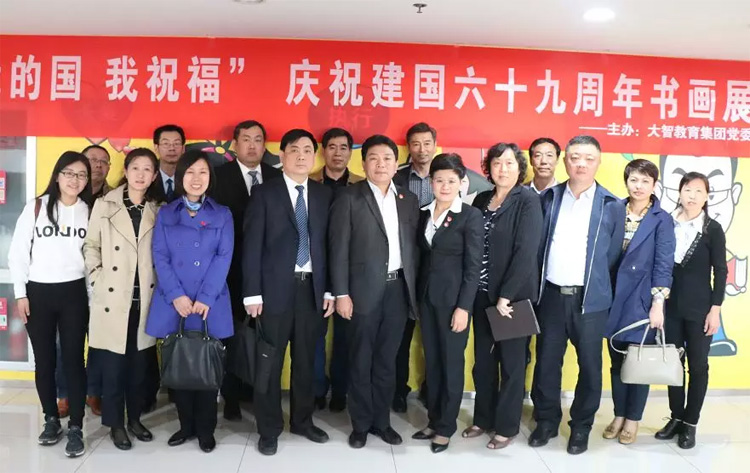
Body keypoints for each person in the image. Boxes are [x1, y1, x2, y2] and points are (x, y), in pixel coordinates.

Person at [529, 135, 624, 455]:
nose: (581, 164)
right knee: (546, 363)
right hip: (551, 296)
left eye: (588, 158)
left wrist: (595, 287)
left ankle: (581, 427)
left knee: (590, 367)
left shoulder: (612, 205)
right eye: (574, 157)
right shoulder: (550, 197)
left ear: (598, 162)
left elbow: (612, 256)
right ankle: (546, 421)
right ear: (565, 160)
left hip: (591, 301)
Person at [243, 129, 335, 455]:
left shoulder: (324, 195)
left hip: (312, 290)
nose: (301, 156)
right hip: (272, 293)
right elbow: (252, 245)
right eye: (294, 150)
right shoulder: (264, 193)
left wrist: (331, 290)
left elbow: (330, 247)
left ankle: (302, 421)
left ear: (315, 156)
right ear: (281, 155)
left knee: (306, 361)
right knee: (269, 362)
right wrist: (252, 293)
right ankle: (269, 428)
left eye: (308, 150)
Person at [329, 134, 420, 449]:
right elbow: (338, 249)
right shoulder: (349, 198)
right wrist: (341, 293)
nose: (381, 164)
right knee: (360, 359)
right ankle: (360, 424)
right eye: (374, 158)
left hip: (398, 291)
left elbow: (414, 250)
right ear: (363, 163)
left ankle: (382, 422)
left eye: (387, 158)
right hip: (360, 293)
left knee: (387, 360)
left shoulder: (408, 200)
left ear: (397, 164)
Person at [146, 150, 234, 453]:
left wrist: (205, 297)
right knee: (180, 365)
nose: (196, 179)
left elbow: (224, 257)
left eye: (203, 172)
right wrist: (177, 296)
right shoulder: (167, 213)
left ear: (210, 177)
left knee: (207, 368)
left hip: (209, 301)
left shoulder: (222, 213)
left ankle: (206, 430)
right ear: (181, 176)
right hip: (176, 301)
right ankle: (185, 427)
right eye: (190, 172)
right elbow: (160, 256)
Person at [8, 151, 93, 457]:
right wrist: (21, 293)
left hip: (74, 294)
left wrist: (92, 298)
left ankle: (77, 427)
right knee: (44, 361)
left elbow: (91, 259)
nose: (74, 180)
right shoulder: (36, 207)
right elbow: (18, 253)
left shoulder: (89, 211)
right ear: (57, 176)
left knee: (74, 361)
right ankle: (51, 419)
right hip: (38, 294)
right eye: (69, 173)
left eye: (81, 175)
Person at [461, 143, 543, 450]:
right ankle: (483, 418)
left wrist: (506, 295)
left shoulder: (528, 201)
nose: (503, 169)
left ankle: (507, 426)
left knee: (511, 364)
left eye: (509, 163)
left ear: (520, 167)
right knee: (483, 361)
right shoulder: (482, 199)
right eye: (497, 163)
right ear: (489, 168)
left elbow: (526, 252)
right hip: (481, 294)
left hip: (512, 299)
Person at [84, 148, 164, 450]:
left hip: (145, 299)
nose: (141, 174)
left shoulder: (158, 209)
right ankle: (116, 424)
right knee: (114, 367)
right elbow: (91, 245)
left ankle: (135, 419)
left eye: (147, 169)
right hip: (112, 298)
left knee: (139, 367)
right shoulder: (105, 204)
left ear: (154, 176)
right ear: (126, 171)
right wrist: (97, 276)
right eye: (135, 168)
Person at [410, 153, 483, 453]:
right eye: (439, 180)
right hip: (427, 301)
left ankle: (446, 427)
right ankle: (434, 420)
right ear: (431, 182)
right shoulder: (424, 213)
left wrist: (464, 307)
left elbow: (473, 267)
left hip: (454, 304)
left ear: (461, 183)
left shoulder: (470, 216)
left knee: (451, 364)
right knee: (434, 363)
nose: (444, 186)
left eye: (451, 181)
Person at [213, 120, 282, 421]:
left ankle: (258, 393)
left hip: (271, 274)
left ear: (265, 145)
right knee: (232, 336)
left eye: (258, 139)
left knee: (263, 337)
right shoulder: (218, 177)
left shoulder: (278, 177)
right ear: (235, 144)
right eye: (246, 139)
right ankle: (231, 396)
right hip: (229, 273)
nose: (252, 146)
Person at [604, 159, 675, 445]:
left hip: (642, 298)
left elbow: (664, 263)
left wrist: (658, 303)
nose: (639, 186)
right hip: (611, 294)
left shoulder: (661, 218)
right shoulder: (613, 210)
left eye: (646, 181)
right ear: (626, 182)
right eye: (634, 179)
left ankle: (633, 419)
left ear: (654, 185)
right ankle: (619, 414)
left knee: (638, 361)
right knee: (616, 360)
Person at [655, 172, 727, 449]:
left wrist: (715, 309)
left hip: (700, 310)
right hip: (670, 307)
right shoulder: (666, 223)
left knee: (698, 366)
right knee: (673, 365)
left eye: (699, 191)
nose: (692, 196)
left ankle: (690, 423)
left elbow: (721, 271)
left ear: (707, 196)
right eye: (688, 189)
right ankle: (675, 417)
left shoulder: (712, 229)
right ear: (680, 192)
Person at [55, 144, 111, 418]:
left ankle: (94, 391)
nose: (97, 165)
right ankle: (64, 394)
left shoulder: (114, 198)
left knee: (99, 341)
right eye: (92, 160)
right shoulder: (62, 199)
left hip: (101, 282)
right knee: (65, 343)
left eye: (103, 161)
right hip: (68, 282)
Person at [310, 127, 363, 412]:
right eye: (332, 147)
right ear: (323, 151)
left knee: (346, 336)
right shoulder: (307, 181)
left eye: (344, 147)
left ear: (350, 152)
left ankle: (341, 390)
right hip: (314, 270)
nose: (338, 153)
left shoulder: (361, 186)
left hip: (350, 272)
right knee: (314, 334)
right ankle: (318, 389)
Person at [392, 121, 437, 413]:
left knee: (434, 335)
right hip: (404, 265)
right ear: (408, 147)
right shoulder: (395, 178)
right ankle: (398, 389)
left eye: (427, 143)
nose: (422, 149)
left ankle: (432, 390)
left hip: (436, 266)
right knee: (401, 335)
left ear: (435, 144)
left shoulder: (447, 176)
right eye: (416, 144)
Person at [152, 124, 186, 203]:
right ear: (156, 148)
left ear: (183, 148)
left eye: (176, 143)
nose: (172, 148)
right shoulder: (148, 174)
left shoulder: (191, 175)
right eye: (166, 144)